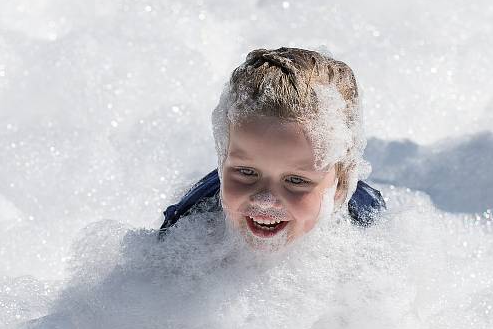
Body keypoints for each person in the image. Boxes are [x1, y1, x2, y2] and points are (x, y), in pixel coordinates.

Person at [160, 47, 385, 249]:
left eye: (296, 180)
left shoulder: (367, 229)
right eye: (247, 172)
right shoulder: (187, 230)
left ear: (341, 186)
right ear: (222, 161)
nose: (264, 200)